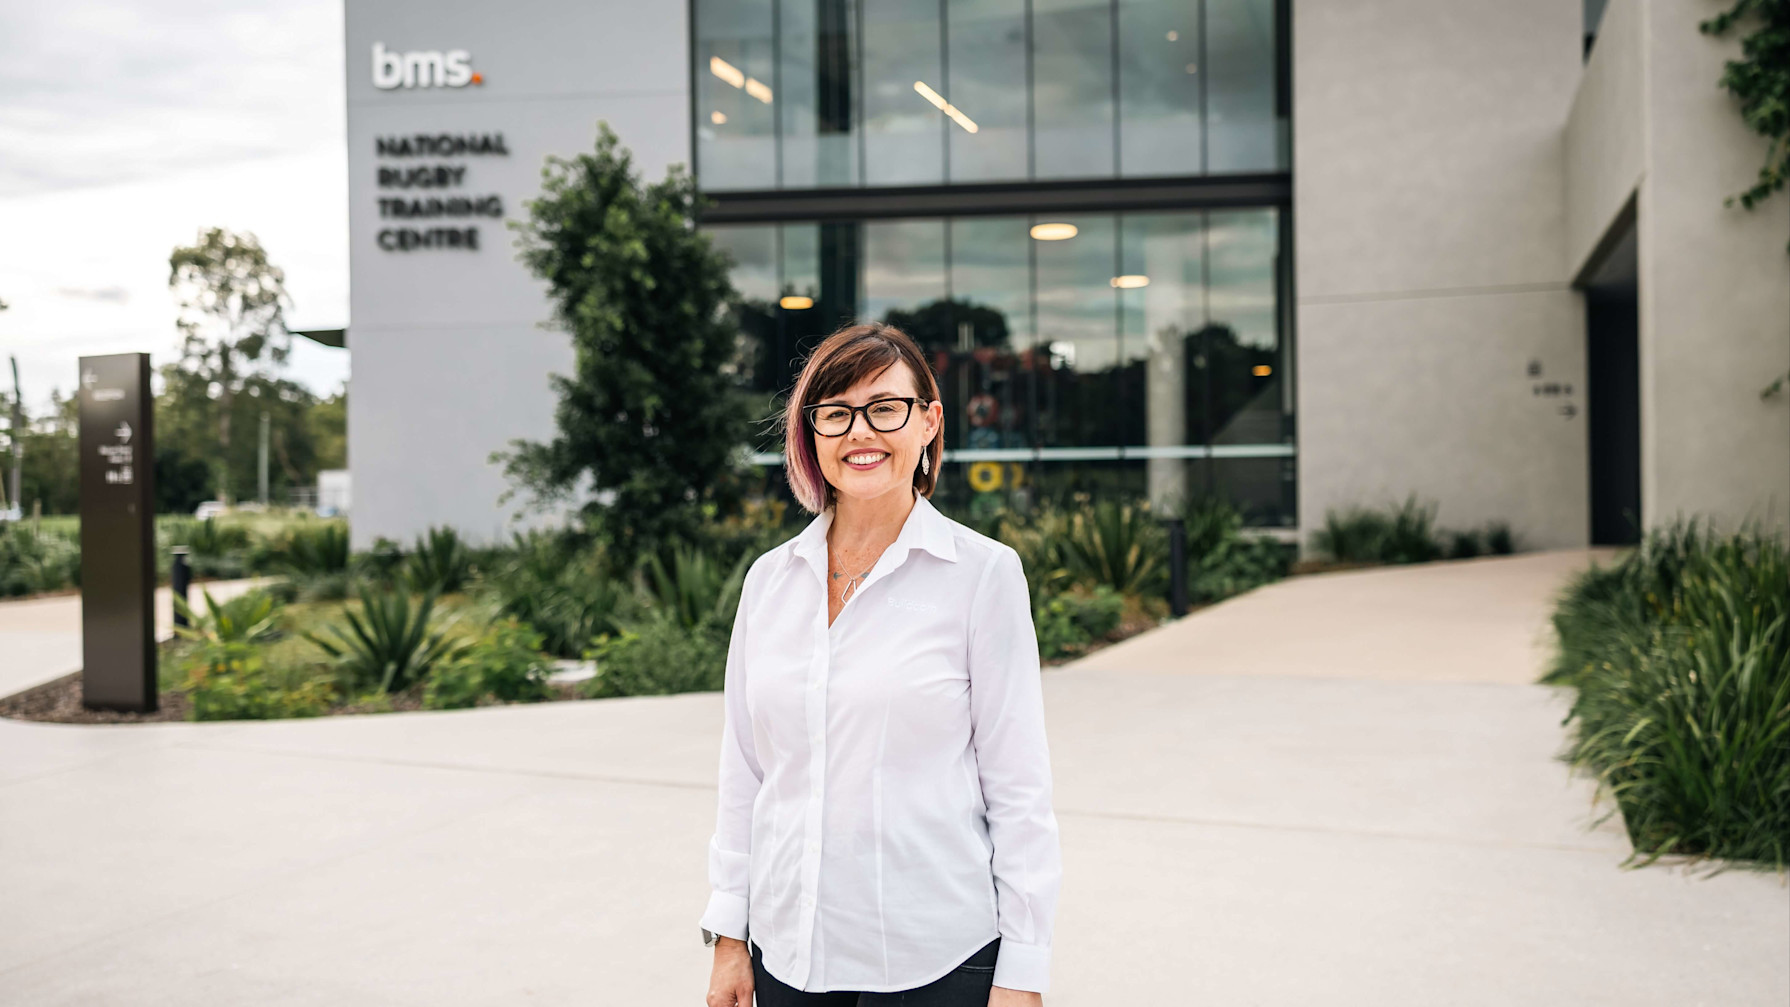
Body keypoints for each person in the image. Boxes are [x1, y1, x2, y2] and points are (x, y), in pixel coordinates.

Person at [700, 322, 1061, 1006]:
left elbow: (1019, 788)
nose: (859, 432)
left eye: (885, 408)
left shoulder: (983, 575)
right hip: (787, 952)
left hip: (937, 957)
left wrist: (1024, 971)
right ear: (810, 435)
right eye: (835, 413)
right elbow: (745, 771)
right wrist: (728, 932)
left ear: (929, 423)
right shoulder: (770, 581)